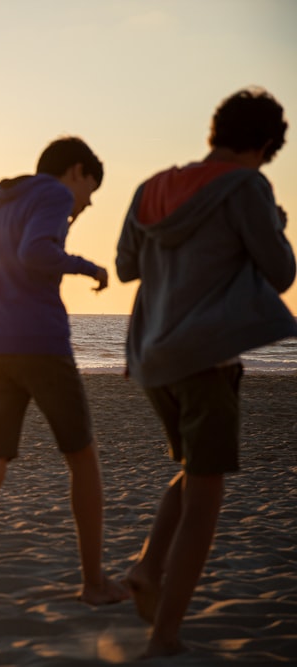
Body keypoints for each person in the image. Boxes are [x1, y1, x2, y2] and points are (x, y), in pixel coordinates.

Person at [116, 88, 296, 658]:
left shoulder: (152, 189)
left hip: (152, 358)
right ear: (265, 145)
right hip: (207, 357)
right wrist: (273, 222)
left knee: (196, 471)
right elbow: (281, 271)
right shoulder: (247, 186)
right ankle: (165, 634)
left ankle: (148, 567)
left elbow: (125, 266)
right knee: (207, 499)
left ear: (214, 132)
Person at [0, 137, 127, 608]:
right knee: (82, 457)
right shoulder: (54, 193)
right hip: (40, 342)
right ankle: (93, 584)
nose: (87, 202)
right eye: (91, 189)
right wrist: (90, 268)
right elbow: (36, 252)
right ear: (77, 172)